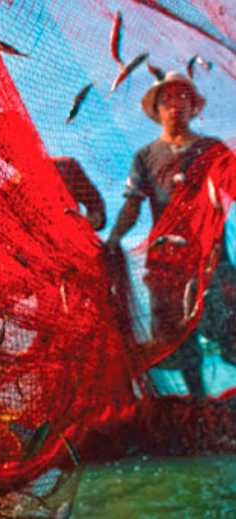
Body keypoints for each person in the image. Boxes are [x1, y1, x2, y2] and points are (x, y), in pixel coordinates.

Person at [107, 71, 231, 399]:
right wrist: (114, 238)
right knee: (178, 340)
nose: (175, 105)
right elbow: (132, 205)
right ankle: (199, 404)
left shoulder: (213, 149)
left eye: (182, 97)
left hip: (212, 257)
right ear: (158, 109)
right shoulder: (145, 157)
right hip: (167, 262)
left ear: (193, 106)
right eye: (167, 99)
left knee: (229, 328)